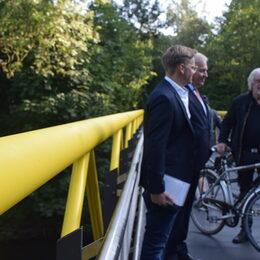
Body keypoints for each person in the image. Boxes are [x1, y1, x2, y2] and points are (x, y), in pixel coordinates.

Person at [139, 45, 197, 260]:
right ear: (182, 68)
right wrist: (156, 189)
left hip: (175, 181)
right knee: (156, 243)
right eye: (192, 67)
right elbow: (155, 147)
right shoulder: (165, 97)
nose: (195, 71)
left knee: (160, 239)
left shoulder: (176, 93)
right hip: (166, 186)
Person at [165, 53, 211, 260]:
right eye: (200, 69)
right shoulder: (181, 94)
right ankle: (173, 251)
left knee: (184, 212)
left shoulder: (198, 94)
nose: (204, 74)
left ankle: (179, 248)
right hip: (183, 166)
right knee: (177, 212)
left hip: (195, 165)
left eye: (205, 70)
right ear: (188, 69)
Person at [217, 67, 260, 244]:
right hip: (244, 153)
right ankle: (245, 229)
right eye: (258, 82)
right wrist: (222, 141)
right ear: (251, 84)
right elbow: (226, 123)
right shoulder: (240, 102)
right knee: (245, 191)